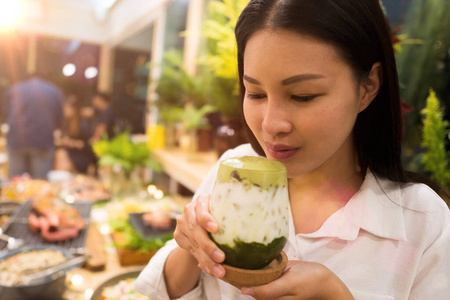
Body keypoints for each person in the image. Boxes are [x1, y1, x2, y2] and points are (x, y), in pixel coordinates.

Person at [136, 0, 450, 299]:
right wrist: (192, 249)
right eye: (255, 93)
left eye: (302, 96)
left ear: (367, 86)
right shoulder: (235, 170)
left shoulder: (422, 221)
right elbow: (165, 291)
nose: (271, 125)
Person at [2, 73, 64, 179]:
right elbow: (59, 118)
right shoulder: (54, 90)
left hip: (17, 139)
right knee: (39, 183)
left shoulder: (15, 88)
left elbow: (5, 112)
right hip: (42, 141)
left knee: (16, 182)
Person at [54, 95, 95, 174]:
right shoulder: (67, 122)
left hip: (81, 156)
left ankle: (61, 181)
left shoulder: (83, 124)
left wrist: (70, 143)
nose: (64, 110)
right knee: (59, 154)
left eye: (67, 108)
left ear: (74, 109)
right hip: (70, 153)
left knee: (61, 155)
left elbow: (87, 144)